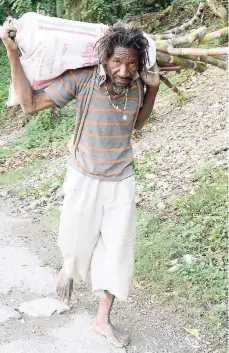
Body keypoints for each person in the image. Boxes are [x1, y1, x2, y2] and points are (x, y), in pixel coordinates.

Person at [2, 18, 159, 348]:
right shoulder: (83, 79)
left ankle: (102, 319)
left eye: (132, 63)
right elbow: (29, 104)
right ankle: (69, 269)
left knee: (118, 252)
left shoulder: (137, 86)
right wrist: (12, 51)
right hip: (83, 177)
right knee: (75, 244)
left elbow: (137, 124)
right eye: (117, 61)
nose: (124, 71)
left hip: (121, 180)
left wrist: (153, 88)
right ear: (104, 59)